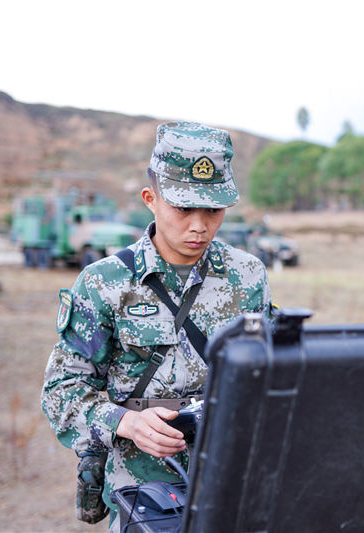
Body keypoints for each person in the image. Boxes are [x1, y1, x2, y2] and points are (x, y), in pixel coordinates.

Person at [41, 122, 271, 531]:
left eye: (213, 210)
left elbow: (272, 371)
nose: (199, 226)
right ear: (151, 199)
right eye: (183, 209)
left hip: (232, 482)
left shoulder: (247, 275)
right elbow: (62, 391)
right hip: (143, 493)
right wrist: (124, 422)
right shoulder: (104, 282)